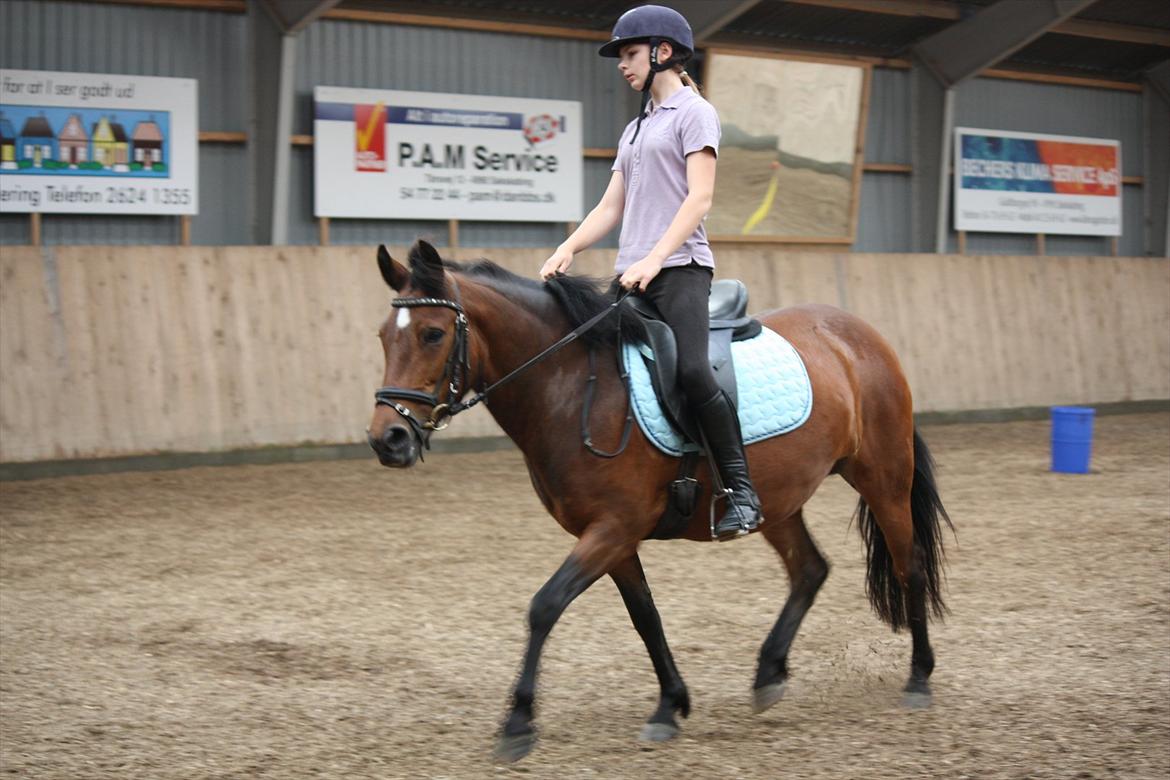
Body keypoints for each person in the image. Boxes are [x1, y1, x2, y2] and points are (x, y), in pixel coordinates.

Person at [539, 4, 762, 541]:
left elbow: (700, 198)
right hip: (632, 273)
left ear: (663, 52)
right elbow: (610, 207)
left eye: (630, 53)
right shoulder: (635, 128)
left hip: (680, 271)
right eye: (621, 55)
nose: (622, 63)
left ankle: (740, 489)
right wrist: (566, 248)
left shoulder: (695, 113)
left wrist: (655, 257)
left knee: (690, 371)